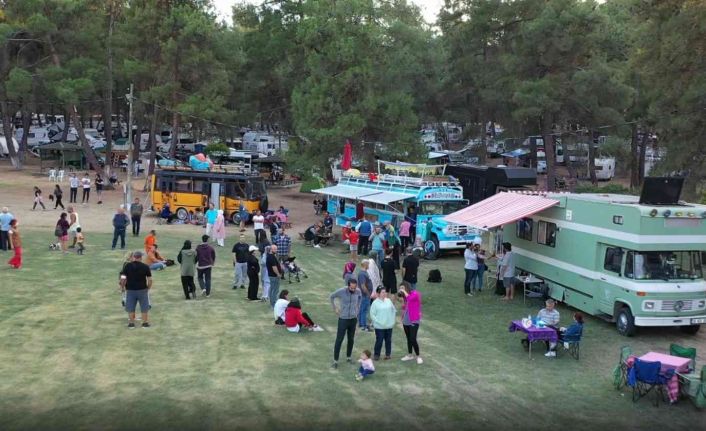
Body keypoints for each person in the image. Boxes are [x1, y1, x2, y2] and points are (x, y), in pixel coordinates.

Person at [330, 278, 362, 369]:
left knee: (351, 339)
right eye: (351, 288)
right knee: (339, 339)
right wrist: (335, 308)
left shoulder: (358, 291)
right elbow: (331, 296)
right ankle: (335, 361)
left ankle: (348, 357)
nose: (353, 290)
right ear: (348, 286)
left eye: (354, 288)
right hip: (343, 319)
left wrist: (358, 307)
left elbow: (360, 297)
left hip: (353, 319)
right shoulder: (341, 291)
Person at [119, 251, 152, 328]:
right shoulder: (145, 267)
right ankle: (145, 323)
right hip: (142, 290)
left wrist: (122, 287)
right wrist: (148, 288)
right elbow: (150, 280)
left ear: (134, 257)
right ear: (141, 258)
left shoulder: (127, 266)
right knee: (144, 307)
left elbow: (123, 278)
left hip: (130, 290)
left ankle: (131, 324)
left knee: (130, 307)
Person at [399, 281, 423, 364]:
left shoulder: (415, 294)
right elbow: (405, 307)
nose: (401, 290)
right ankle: (410, 355)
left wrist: (404, 292)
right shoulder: (404, 296)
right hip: (406, 320)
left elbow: (410, 298)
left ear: (407, 287)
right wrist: (402, 316)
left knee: (413, 338)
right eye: (400, 288)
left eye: (402, 288)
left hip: (414, 320)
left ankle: (418, 356)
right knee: (408, 338)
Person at [370, 287, 396, 360]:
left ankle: (388, 354)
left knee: (388, 340)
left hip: (389, 325)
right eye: (383, 292)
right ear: (378, 294)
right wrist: (378, 322)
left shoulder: (388, 301)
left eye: (385, 292)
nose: (385, 294)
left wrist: (392, 321)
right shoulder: (375, 303)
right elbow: (372, 314)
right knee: (379, 340)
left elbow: (393, 310)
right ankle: (376, 355)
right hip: (379, 326)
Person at [357, 260, 374, 332]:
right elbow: (363, 286)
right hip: (364, 295)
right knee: (364, 310)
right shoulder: (362, 274)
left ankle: (361, 324)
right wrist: (368, 294)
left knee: (362, 309)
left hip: (365, 295)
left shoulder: (364, 272)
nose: (369, 265)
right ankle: (364, 325)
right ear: (365, 264)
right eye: (368, 264)